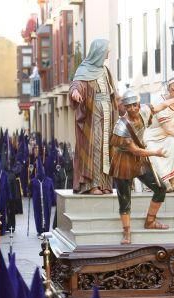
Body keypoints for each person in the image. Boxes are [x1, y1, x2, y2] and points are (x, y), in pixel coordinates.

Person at [109, 89, 169, 244]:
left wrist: (173, 101)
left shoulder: (143, 112)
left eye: (134, 105)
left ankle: (150, 221)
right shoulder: (121, 126)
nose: (132, 108)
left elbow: (158, 107)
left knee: (161, 187)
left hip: (139, 160)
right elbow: (135, 150)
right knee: (125, 199)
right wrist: (155, 153)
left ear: (138, 104)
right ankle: (127, 231)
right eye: (128, 106)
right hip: (123, 162)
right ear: (124, 107)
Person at [69, 39, 119, 195]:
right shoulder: (84, 70)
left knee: (106, 148)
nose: (108, 54)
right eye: (106, 51)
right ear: (98, 52)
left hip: (107, 116)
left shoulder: (105, 70)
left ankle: (104, 184)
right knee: (94, 148)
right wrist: (75, 92)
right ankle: (91, 185)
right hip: (92, 116)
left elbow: (112, 93)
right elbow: (76, 85)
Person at [144, 78, 174, 192]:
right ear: (168, 90)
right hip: (153, 136)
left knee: (172, 143)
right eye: (173, 90)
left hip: (170, 137)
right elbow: (167, 128)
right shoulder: (159, 101)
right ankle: (164, 182)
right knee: (155, 150)